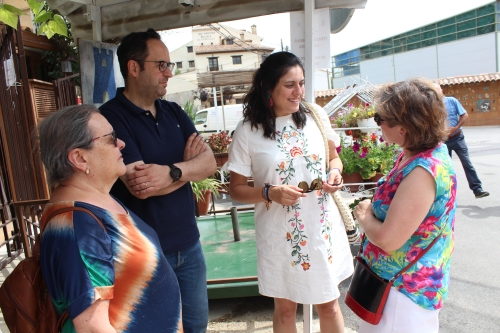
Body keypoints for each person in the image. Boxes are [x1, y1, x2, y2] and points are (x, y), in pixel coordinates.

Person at [99, 29, 216, 332]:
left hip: (189, 246)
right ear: (133, 68)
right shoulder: (110, 118)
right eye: (161, 65)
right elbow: (141, 185)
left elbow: (210, 163)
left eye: (169, 65)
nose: (169, 73)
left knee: (196, 327)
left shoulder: (174, 111)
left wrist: (172, 172)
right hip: (144, 253)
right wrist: (188, 166)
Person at [227, 52, 354, 332]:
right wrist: (269, 193)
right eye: (289, 85)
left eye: (302, 83)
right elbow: (235, 189)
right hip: (279, 235)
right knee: (285, 312)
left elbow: (334, 159)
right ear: (267, 86)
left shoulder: (315, 116)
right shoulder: (248, 131)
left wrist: (335, 172)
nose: (299, 92)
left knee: (329, 305)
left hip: (321, 227)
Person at [37, 105, 183, 332]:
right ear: (79, 158)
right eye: (111, 138)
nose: (121, 143)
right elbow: (93, 328)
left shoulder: (95, 202)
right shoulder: (78, 225)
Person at [353, 78, 457, 333]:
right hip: (393, 286)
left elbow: (389, 240)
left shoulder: (423, 171)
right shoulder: (414, 153)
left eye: (381, 118)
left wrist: (364, 216)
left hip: (403, 295)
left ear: (404, 127)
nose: (376, 123)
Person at [434, 83, 489, 198]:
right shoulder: (432, 107)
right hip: (443, 141)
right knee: (445, 167)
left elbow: (464, 115)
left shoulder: (452, 101)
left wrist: (456, 128)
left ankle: (477, 190)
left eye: (437, 90)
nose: (435, 93)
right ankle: (447, 194)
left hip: (458, 138)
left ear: (442, 91)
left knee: (467, 163)